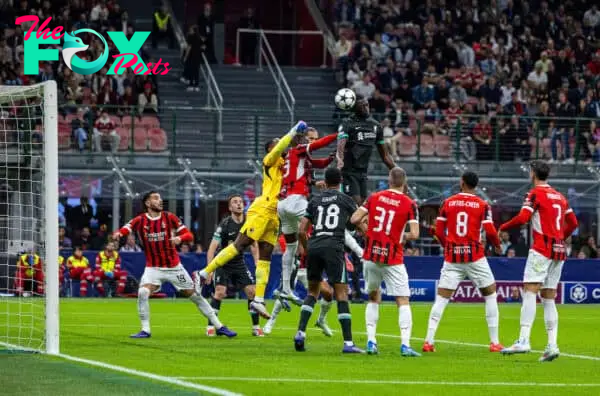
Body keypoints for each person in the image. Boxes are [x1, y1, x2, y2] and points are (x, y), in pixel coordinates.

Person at [194, 121, 308, 311]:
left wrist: (301, 137)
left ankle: (259, 300)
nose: (283, 146)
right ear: (271, 148)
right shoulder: (269, 161)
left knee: (266, 257)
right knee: (240, 245)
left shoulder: (287, 166)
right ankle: (204, 273)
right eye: (278, 143)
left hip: (275, 214)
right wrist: (292, 132)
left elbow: (299, 154)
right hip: (262, 209)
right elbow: (282, 146)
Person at [113, 191, 236, 339]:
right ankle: (145, 330)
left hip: (174, 268)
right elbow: (126, 228)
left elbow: (189, 235)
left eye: (160, 198)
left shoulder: (168, 217)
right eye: (156, 198)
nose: (160, 200)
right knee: (142, 292)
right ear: (147, 203)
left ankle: (219, 327)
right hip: (153, 268)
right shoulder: (140, 220)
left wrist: (180, 238)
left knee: (195, 296)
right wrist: (119, 234)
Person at [499, 161, 578, 361]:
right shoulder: (560, 196)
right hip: (559, 250)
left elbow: (523, 217)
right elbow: (573, 223)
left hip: (542, 249)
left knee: (530, 290)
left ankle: (523, 340)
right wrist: (559, 237)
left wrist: (503, 227)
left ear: (533, 174)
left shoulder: (534, 194)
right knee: (549, 296)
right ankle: (552, 345)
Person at [424, 172, 504, 353]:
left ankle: (428, 341)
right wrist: (497, 246)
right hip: (475, 256)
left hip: (453, 257)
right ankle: (494, 342)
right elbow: (490, 231)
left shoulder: (448, 202)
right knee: (490, 294)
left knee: (442, 298)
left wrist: (447, 246)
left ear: (462, 182)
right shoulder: (482, 205)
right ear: (476, 185)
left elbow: (438, 230)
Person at [350, 167, 421, 357]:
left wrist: (368, 231)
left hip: (371, 255)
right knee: (402, 300)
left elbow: (355, 218)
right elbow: (415, 234)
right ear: (404, 183)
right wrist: (399, 236)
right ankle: (405, 345)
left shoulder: (375, 197)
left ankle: (371, 342)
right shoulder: (409, 203)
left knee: (373, 297)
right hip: (393, 258)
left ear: (389, 180)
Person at [294, 167, 364, 353]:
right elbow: (356, 221)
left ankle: (300, 333)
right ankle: (348, 343)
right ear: (340, 181)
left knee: (312, 292)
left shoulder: (315, 200)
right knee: (341, 294)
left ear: (324, 181)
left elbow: (301, 230)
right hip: (334, 247)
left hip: (315, 245)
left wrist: (308, 249)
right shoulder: (345, 199)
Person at [276, 127, 337, 304]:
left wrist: (333, 157)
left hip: (283, 203)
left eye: (314, 138)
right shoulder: (298, 149)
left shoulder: (297, 156)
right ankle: (323, 258)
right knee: (324, 222)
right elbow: (319, 145)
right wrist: (338, 135)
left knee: (290, 247)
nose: (312, 141)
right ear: (300, 140)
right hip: (296, 200)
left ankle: (286, 288)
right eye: (309, 139)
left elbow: (322, 163)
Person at [204, 194, 263, 337]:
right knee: (220, 292)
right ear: (230, 207)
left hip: (239, 263)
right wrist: (209, 270)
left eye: (241, 202)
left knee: (252, 292)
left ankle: (256, 327)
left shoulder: (249, 223)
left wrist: (257, 262)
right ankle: (211, 326)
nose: (239, 204)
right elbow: (212, 248)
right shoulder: (224, 224)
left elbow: (254, 244)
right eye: (235, 202)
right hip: (223, 263)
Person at [264, 231, 334, 337]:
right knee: (285, 293)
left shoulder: (316, 229)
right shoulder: (291, 232)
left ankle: (321, 320)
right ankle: (270, 321)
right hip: (293, 267)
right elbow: (299, 250)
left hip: (309, 269)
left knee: (328, 293)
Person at [336, 94, 396, 205]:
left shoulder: (376, 126)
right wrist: (339, 162)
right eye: (362, 106)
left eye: (367, 105)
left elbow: (385, 155)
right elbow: (340, 146)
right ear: (355, 107)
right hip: (348, 172)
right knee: (355, 204)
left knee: (362, 206)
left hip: (363, 173)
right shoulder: (347, 123)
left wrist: (396, 170)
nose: (365, 108)